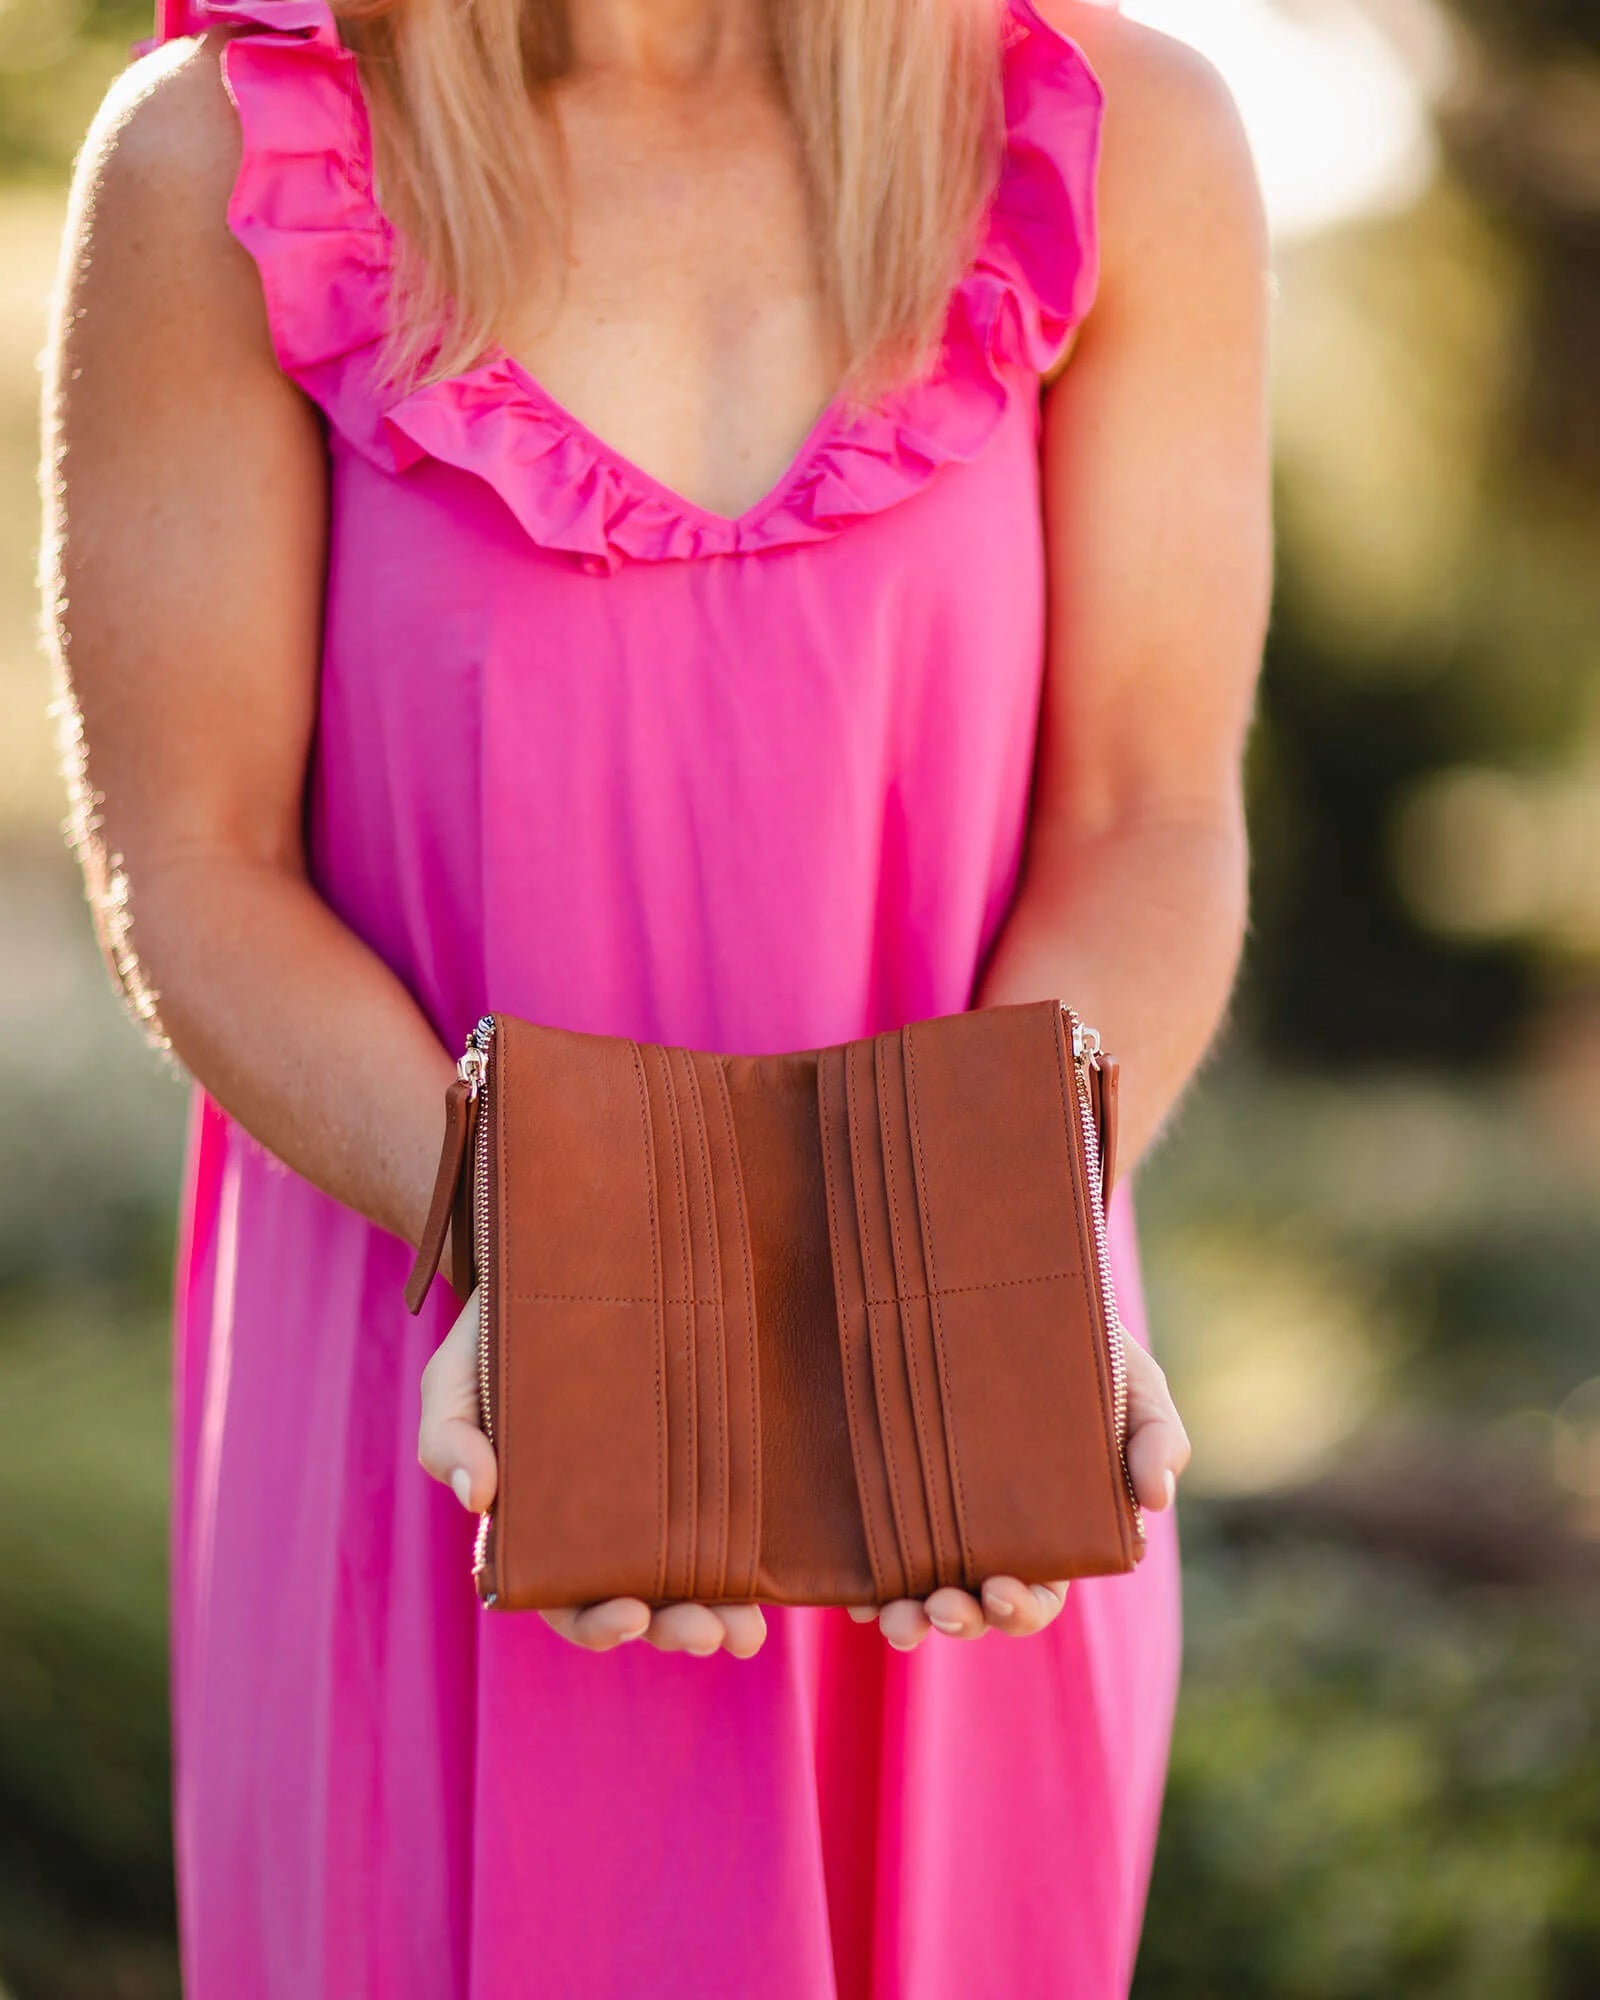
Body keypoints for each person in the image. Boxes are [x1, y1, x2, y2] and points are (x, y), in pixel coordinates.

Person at [41, 0, 1269, 1990]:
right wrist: (561, 1264)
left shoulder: (1125, 139)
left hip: (956, 1404)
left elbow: (1146, 812)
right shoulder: (224, 160)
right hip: (454, 1399)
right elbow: (192, 861)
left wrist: (982, 1275)